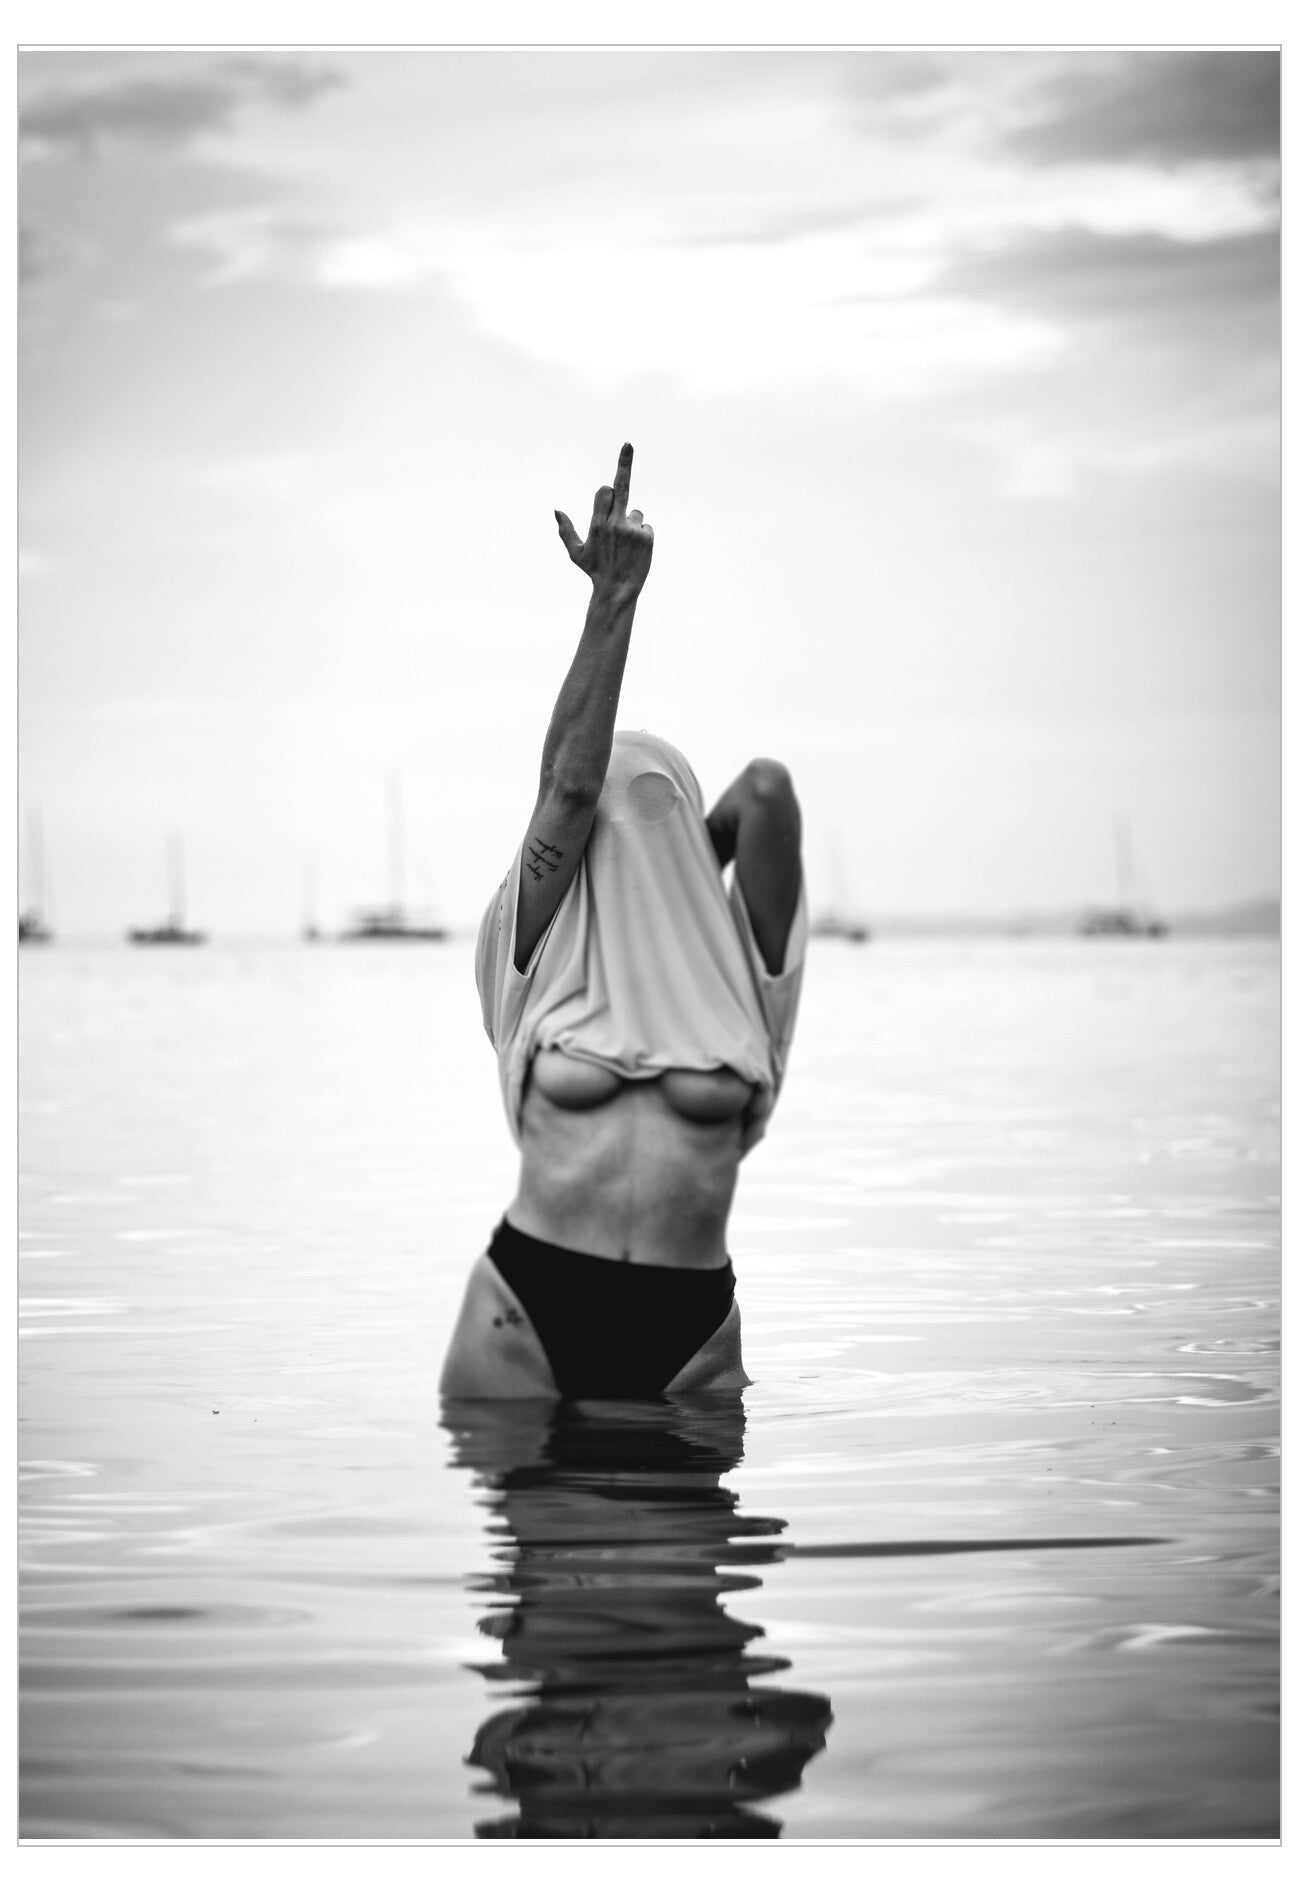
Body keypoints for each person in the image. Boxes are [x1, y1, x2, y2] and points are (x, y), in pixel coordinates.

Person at [440, 443, 806, 1399]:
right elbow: (569, 792)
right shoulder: (529, 939)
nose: (640, 836)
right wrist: (613, 598)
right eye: (623, 823)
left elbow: (767, 791)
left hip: (689, 1335)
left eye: (664, 817)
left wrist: (691, 864)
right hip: (528, 1312)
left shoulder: (734, 971)